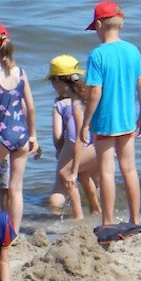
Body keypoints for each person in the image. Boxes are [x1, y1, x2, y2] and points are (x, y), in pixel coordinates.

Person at [79, 1, 141, 225]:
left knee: (107, 172)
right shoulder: (132, 50)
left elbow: (95, 92)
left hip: (105, 121)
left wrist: (85, 122)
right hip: (127, 119)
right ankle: (135, 219)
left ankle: (107, 221)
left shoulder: (97, 55)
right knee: (130, 169)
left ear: (99, 25)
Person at [0, 24, 40, 231]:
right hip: (21, 134)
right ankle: (13, 232)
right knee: (16, 188)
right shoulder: (20, 73)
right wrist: (33, 136)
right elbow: (30, 107)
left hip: (2, 135)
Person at [46, 55, 99, 219]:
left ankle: (78, 216)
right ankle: (95, 209)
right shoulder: (88, 98)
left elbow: (60, 137)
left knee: (65, 173)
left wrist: (67, 159)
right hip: (100, 147)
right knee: (85, 175)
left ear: (57, 81)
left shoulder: (63, 104)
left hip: (80, 146)